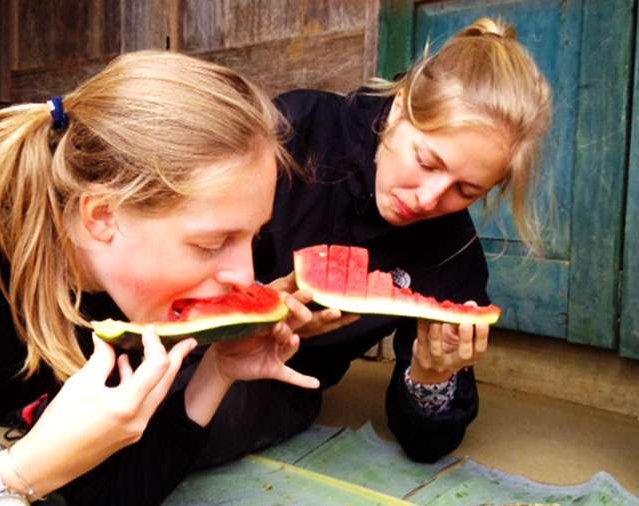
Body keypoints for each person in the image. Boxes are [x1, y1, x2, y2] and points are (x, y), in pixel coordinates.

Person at [0, 51, 320, 506]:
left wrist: (217, 372)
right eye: (212, 242)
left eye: (253, 236)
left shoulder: (104, 295)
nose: (244, 276)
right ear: (102, 215)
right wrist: (12, 474)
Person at [183, 17, 552, 468]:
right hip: (165, 335)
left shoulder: (453, 251)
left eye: (466, 191)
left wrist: (432, 374)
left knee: (162, 438)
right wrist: (254, 314)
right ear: (400, 108)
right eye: (427, 161)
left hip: (280, 387)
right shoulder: (295, 130)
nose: (429, 199)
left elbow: (426, 444)